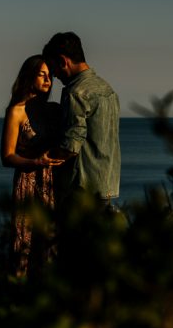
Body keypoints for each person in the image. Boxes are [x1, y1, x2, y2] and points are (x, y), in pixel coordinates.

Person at [39, 32, 121, 212]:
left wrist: (41, 157)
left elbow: (70, 146)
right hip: (106, 184)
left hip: (80, 187)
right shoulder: (107, 90)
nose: (55, 77)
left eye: (54, 70)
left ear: (63, 61)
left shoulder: (76, 92)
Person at [1, 54, 64, 277]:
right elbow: (7, 156)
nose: (48, 80)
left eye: (51, 76)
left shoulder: (54, 110)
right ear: (29, 77)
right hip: (28, 181)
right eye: (42, 75)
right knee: (24, 245)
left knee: (51, 245)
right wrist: (35, 162)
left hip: (54, 183)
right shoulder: (16, 111)